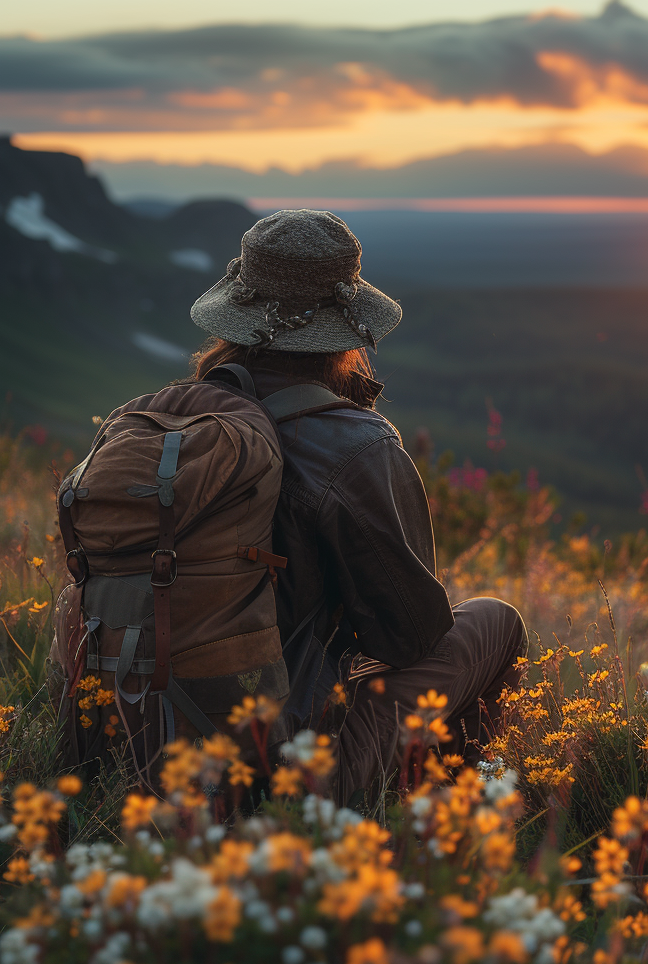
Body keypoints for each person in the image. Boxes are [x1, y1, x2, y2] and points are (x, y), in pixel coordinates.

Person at [189, 209, 528, 803]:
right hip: (281, 778)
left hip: (135, 747)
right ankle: (451, 816)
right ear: (344, 330)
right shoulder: (356, 447)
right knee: (497, 622)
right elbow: (411, 636)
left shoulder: (164, 423)